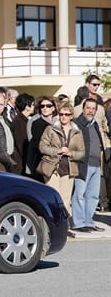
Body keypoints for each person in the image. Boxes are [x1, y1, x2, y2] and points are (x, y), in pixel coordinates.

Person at [38, 103, 84, 238]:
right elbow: (42, 147)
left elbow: (81, 152)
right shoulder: (51, 129)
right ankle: (49, 227)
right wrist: (57, 151)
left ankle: (64, 227)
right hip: (53, 168)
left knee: (65, 200)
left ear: (71, 116)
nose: (64, 117)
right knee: (52, 198)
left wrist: (71, 153)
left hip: (69, 168)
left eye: (67, 114)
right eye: (61, 114)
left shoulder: (77, 132)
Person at [71, 98, 106, 233]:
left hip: (96, 164)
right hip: (83, 164)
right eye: (88, 108)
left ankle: (89, 221)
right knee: (79, 194)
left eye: (93, 108)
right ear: (83, 108)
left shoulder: (95, 124)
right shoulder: (77, 124)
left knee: (93, 195)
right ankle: (79, 223)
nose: (90, 111)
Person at [26, 95, 58, 181]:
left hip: (57, 163)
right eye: (42, 106)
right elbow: (39, 145)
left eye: (48, 106)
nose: (45, 108)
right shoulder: (37, 123)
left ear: (53, 108)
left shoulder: (58, 123)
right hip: (43, 163)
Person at [14, 93, 35, 175]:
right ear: (27, 106)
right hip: (21, 163)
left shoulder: (25, 120)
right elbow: (21, 144)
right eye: (33, 104)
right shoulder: (19, 122)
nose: (34, 107)